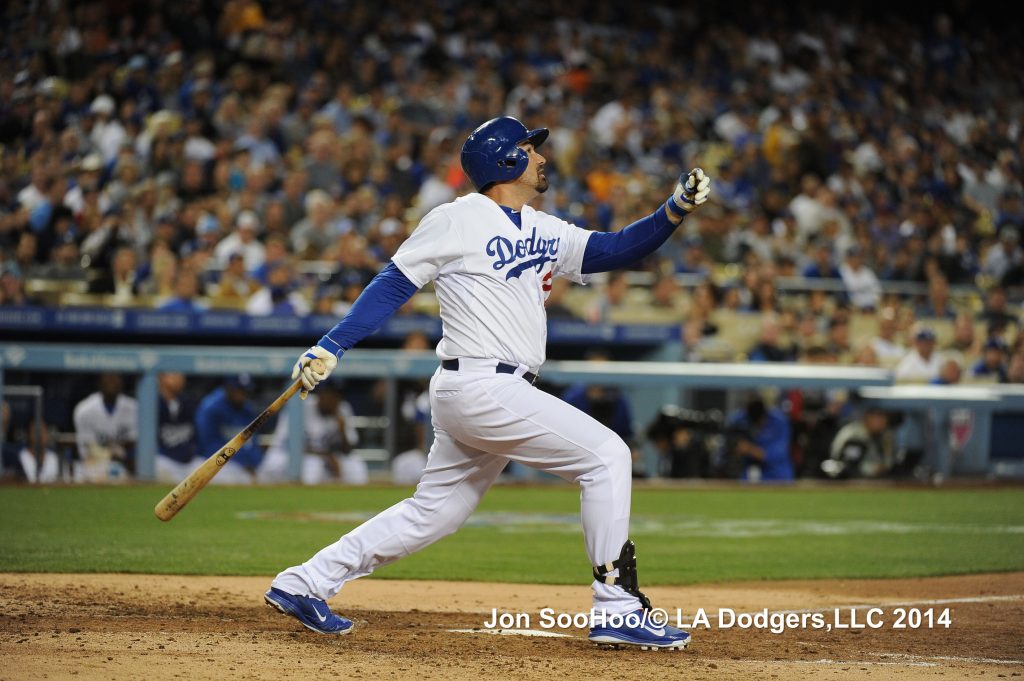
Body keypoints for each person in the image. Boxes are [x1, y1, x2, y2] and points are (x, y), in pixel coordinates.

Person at [264, 116, 710, 649]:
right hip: (482, 384)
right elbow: (393, 282)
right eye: (529, 148)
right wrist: (331, 344)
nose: (541, 156)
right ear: (505, 160)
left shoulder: (542, 226)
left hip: (488, 390)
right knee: (606, 456)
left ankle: (304, 581)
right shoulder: (458, 218)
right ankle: (616, 605)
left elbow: (615, 249)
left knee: (435, 513)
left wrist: (674, 210)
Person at [259, 382, 365, 485]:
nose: (332, 400)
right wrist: (327, 457)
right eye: (329, 394)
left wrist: (342, 431)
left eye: (336, 396)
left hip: (322, 459)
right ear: (320, 394)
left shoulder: (342, 409)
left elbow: (348, 450)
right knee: (313, 465)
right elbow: (292, 445)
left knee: (356, 467)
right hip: (285, 455)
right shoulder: (300, 406)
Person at [194, 375, 263, 484]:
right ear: (228, 388)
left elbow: (253, 443)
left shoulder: (247, 409)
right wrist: (244, 461)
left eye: (245, 390)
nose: (242, 394)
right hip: (213, 463)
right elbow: (209, 446)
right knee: (231, 478)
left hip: (243, 465)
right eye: (239, 390)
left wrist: (254, 462)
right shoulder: (211, 408)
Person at [73, 373, 138, 482]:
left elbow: (135, 446)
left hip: (124, 466)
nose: (111, 381)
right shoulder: (84, 410)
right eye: (108, 377)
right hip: (92, 467)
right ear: (100, 381)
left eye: (115, 377)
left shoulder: (134, 408)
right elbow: (87, 452)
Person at [726, 395, 794, 482]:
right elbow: (731, 439)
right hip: (748, 473)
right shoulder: (739, 419)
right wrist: (735, 447)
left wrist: (749, 449)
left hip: (777, 474)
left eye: (759, 422)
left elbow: (777, 453)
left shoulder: (780, 422)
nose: (757, 425)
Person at [823, 406, 897, 479]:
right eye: (879, 418)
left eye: (885, 418)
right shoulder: (855, 434)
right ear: (868, 418)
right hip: (844, 479)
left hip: (869, 480)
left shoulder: (883, 435)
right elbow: (849, 465)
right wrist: (872, 469)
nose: (883, 422)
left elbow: (888, 460)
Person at [155, 372, 199, 484]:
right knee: (156, 465)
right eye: (174, 374)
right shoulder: (151, 403)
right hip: (164, 461)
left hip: (189, 464)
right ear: (161, 377)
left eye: (181, 374)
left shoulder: (188, 403)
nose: (180, 378)